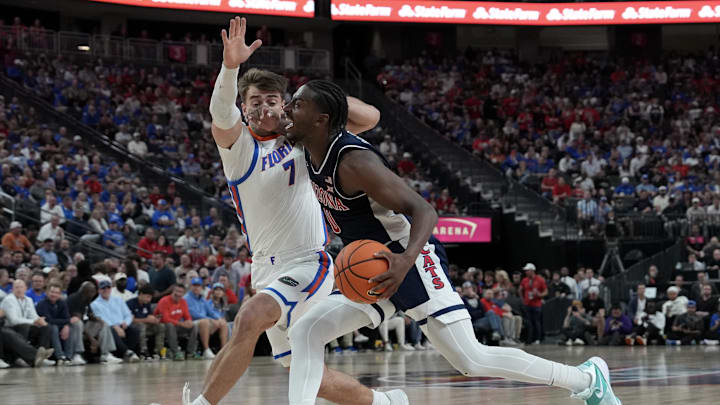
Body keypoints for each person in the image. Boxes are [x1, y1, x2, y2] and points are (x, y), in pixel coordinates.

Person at [195, 78, 620, 405]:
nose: (286, 109)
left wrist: (403, 263)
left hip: (409, 262)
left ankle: (585, 380)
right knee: (307, 330)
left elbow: (425, 211)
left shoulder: (355, 160)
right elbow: (279, 120)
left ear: (321, 119)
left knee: (471, 359)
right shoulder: (305, 147)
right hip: (374, 270)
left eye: (297, 104)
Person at [184, 16, 392, 405]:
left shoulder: (308, 137)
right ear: (244, 111)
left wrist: (313, 101)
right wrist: (231, 68)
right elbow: (220, 113)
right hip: (264, 267)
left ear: (286, 105)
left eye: (272, 100)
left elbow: (371, 118)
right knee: (303, 371)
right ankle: (385, 403)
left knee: (249, 317)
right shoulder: (239, 148)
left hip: (307, 262)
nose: (263, 107)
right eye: (254, 101)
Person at [66, 281, 122, 364]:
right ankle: (76, 354)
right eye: (92, 292)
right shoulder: (75, 299)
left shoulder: (86, 299)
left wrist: (99, 320)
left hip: (83, 327)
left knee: (104, 324)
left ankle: (105, 354)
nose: (93, 294)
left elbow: (90, 314)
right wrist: (92, 339)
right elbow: (78, 321)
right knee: (78, 324)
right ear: (85, 291)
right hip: (71, 328)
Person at [90, 280, 141, 362]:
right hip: (109, 327)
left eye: (108, 287)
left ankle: (125, 353)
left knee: (135, 330)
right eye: (103, 288)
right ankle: (127, 352)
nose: (106, 290)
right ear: (99, 290)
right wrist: (116, 327)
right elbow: (101, 319)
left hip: (122, 325)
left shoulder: (118, 300)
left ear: (111, 288)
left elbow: (128, 314)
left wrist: (126, 323)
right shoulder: (94, 304)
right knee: (111, 330)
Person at [0, 280, 53, 359]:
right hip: (11, 327)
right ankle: (36, 356)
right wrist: (34, 322)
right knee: (25, 327)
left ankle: (42, 354)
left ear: (26, 288)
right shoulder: (9, 300)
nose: (19, 289)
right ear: (12, 289)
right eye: (16, 287)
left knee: (46, 327)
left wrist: (40, 320)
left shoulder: (29, 299)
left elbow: (33, 315)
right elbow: (14, 320)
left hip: (25, 325)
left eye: (21, 287)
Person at [36, 282, 85, 365]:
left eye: (57, 293)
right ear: (47, 292)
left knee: (72, 327)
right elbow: (49, 320)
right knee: (54, 327)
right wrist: (67, 322)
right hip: (45, 327)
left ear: (60, 294)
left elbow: (66, 317)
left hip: (59, 325)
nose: (54, 295)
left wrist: (66, 325)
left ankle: (68, 357)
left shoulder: (62, 302)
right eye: (52, 292)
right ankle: (60, 356)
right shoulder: (42, 304)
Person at [185, 277, 228, 359]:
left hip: (206, 321)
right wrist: (210, 319)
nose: (196, 288)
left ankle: (224, 350)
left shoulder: (202, 298)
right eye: (194, 285)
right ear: (191, 286)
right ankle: (206, 350)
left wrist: (218, 318)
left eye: (198, 286)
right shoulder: (186, 298)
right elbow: (193, 314)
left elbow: (210, 312)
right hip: (192, 322)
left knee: (223, 323)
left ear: (201, 287)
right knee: (205, 322)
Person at [155, 283, 198, 361]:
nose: (178, 294)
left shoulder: (183, 302)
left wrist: (189, 321)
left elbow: (187, 316)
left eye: (181, 292)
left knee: (194, 326)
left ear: (183, 293)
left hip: (176, 325)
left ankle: (190, 353)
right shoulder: (164, 301)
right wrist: (182, 324)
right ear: (172, 291)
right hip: (162, 326)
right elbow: (165, 319)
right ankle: (176, 353)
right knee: (169, 325)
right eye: (177, 291)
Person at [127, 285, 165, 360]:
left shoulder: (147, 304)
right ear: (140, 294)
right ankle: (143, 351)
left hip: (146, 326)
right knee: (142, 326)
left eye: (150, 297)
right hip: (133, 327)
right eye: (147, 297)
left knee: (161, 326)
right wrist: (146, 320)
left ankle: (158, 351)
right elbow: (130, 320)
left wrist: (154, 319)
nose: (149, 299)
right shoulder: (130, 303)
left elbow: (149, 316)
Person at [519, 263, 548, 344]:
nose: (526, 272)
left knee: (536, 322)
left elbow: (546, 291)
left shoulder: (540, 280)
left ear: (532, 271)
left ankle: (538, 339)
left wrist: (539, 295)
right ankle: (529, 339)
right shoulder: (525, 280)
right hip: (527, 304)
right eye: (526, 271)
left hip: (536, 304)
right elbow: (520, 289)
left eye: (527, 270)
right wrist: (523, 299)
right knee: (529, 322)